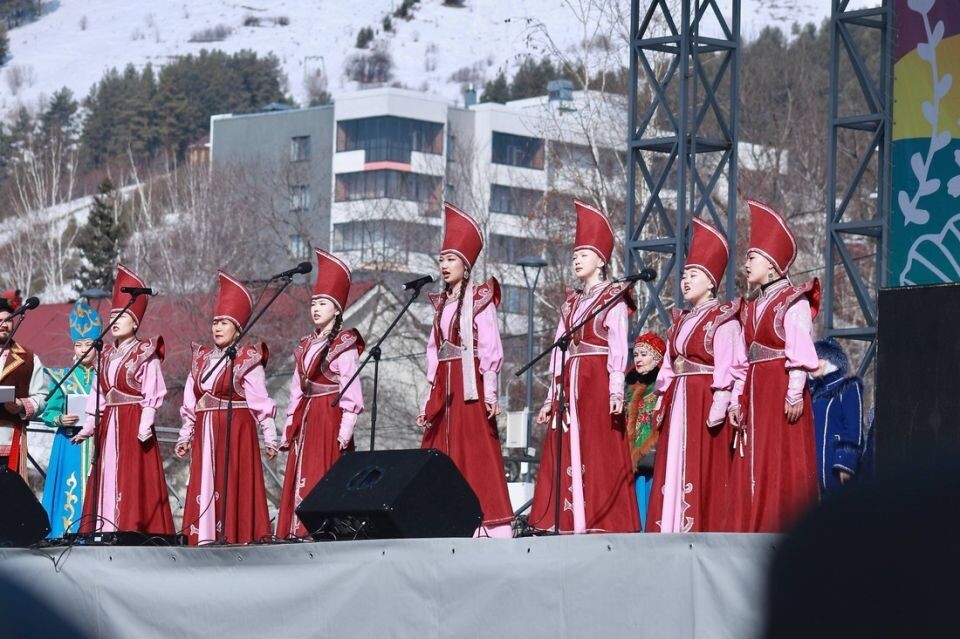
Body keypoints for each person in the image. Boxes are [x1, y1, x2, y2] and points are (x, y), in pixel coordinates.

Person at [528, 200, 640, 534]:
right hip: (571, 382)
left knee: (597, 446)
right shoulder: (571, 303)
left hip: (596, 381)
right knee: (565, 445)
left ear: (601, 260)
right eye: (575, 254)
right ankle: (565, 519)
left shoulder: (613, 298)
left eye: (584, 254)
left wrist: (616, 390)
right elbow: (558, 353)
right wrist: (551, 396)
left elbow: (617, 346)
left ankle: (600, 520)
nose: (576, 259)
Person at [417, 202, 514, 538]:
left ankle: (487, 523)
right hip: (444, 385)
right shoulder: (441, 303)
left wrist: (491, 391)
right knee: (438, 450)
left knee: (474, 450)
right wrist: (427, 399)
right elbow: (433, 352)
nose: (444, 266)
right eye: (442, 260)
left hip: (468, 383)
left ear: (466, 264)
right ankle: (435, 518)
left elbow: (490, 347)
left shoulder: (480, 299)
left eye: (450, 259)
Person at [647, 217, 746, 532]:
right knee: (673, 460)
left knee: (700, 463)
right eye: (683, 275)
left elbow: (732, 365)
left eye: (693, 275)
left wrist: (722, 402)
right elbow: (668, 364)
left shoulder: (724, 319)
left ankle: (696, 526)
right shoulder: (680, 320)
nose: (685, 281)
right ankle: (670, 523)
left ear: (711, 281)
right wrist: (660, 398)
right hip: (679, 397)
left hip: (704, 399)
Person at [729, 199, 819, 532]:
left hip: (779, 389)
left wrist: (794, 392)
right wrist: (736, 398)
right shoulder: (751, 306)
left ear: (771, 263)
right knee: (754, 456)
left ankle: (780, 528)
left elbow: (799, 348)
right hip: (756, 391)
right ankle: (751, 526)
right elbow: (742, 360)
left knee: (780, 457)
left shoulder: (793, 300)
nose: (745, 264)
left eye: (752, 257)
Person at [176, 271, 278, 545]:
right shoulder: (201, 359)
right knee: (204, 483)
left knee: (232, 484)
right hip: (206, 433)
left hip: (235, 434)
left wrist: (270, 436)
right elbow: (191, 401)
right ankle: (204, 536)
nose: (217, 328)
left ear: (238, 328)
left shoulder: (247, 359)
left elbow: (260, 401)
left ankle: (235, 536)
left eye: (224, 323)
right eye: (214, 323)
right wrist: (185, 434)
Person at [73, 265, 174, 535]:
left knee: (131, 475)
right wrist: (88, 427)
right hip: (109, 424)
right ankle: (104, 527)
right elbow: (98, 394)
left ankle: (132, 528)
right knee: (107, 473)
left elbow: (153, 390)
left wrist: (145, 422)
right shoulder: (104, 354)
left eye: (122, 316)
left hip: (133, 421)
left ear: (135, 322)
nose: (115, 320)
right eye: (112, 316)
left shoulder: (145, 351)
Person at [276, 249, 364, 539]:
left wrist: (345, 429)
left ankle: (324, 533)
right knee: (301, 473)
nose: (316, 308)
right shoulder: (305, 345)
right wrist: (288, 428)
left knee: (323, 472)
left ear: (336, 309)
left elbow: (351, 389)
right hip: (307, 418)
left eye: (323, 303)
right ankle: (296, 531)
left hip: (329, 416)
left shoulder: (343, 344)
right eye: (313, 303)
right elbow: (296, 391)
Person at [40, 300, 101, 537]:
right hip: (69, 444)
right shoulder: (62, 377)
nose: (84, 349)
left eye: (88, 344)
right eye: (78, 345)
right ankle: (64, 532)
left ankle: (96, 532)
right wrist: (60, 419)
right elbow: (48, 412)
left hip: (98, 442)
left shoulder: (105, 376)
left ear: (97, 345)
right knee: (69, 487)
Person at [809, 338, 863, 496]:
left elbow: (853, 429)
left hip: (835, 466)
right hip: (812, 466)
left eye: (819, 357)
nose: (814, 362)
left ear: (831, 361)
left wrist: (845, 463)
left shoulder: (848, 387)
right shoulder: (811, 391)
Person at [0, 297, 46, 480]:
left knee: (8, 493)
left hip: (9, 440)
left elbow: (41, 397)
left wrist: (20, 405)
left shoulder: (28, 358)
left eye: (8, 320)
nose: (4, 325)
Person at [625, 332, 664, 530]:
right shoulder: (628, 385)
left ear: (657, 357)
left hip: (652, 449)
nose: (638, 359)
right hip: (630, 451)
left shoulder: (662, 384)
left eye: (644, 354)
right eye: (636, 355)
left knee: (652, 491)